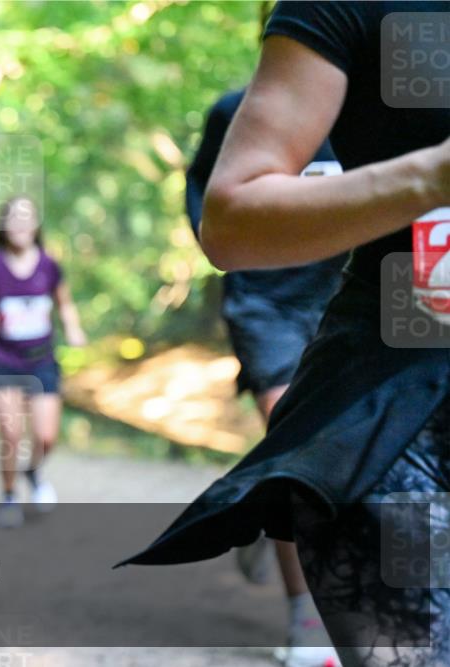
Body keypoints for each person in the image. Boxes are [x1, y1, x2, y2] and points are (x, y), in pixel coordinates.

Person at [123, 2, 450, 666]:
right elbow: (227, 221)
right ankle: (288, 532)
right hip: (365, 362)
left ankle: (277, 498)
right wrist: (432, 176)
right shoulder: (335, 22)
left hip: (322, 295)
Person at [186, 88, 345, 667]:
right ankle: (306, 618)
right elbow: (203, 195)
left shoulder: (365, 110)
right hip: (266, 306)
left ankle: (260, 518)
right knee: (298, 453)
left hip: (347, 300)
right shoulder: (234, 110)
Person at [0, 196, 86, 528]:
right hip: (1, 360)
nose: (19, 224)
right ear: (4, 225)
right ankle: (8, 495)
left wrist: (73, 329)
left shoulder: (49, 264)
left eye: (26, 217)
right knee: (11, 433)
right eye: (13, 217)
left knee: (46, 437)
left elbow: (65, 303)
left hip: (41, 360)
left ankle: (32, 470)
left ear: (36, 225)